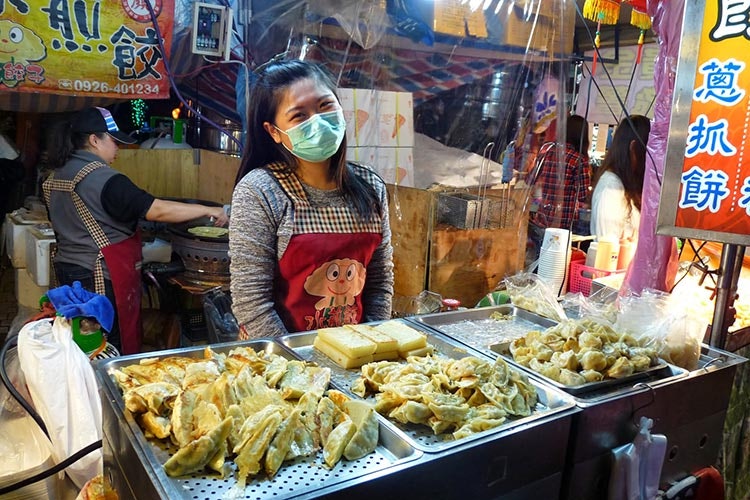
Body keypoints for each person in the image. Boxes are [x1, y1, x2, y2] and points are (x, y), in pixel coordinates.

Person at [229, 59, 394, 339]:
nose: (317, 121)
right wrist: (297, 360)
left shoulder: (371, 187)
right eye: (299, 116)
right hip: (277, 355)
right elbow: (251, 303)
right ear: (273, 131)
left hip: (351, 351)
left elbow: (380, 283)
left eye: (325, 105)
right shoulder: (260, 191)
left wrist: (370, 344)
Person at [43, 106, 228, 354]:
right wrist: (210, 210)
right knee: (107, 347)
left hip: (68, 273)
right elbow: (157, 210)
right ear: (94, 140)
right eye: (114, 141)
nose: (118, 148)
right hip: (99, 276)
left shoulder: (54, 177)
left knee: (80, 344)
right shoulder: (104, 179)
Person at [590, 115, 650, 243]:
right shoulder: (610, 187)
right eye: (648, 153)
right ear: (634, 148)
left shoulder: (627, 185)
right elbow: (607, 245)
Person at [533, 114, 591, 231]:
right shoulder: (578, 160)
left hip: (542, 218)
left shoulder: (548, 152)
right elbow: (583, 195)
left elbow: (534, 179)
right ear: (582, 136)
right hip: (563, 223)